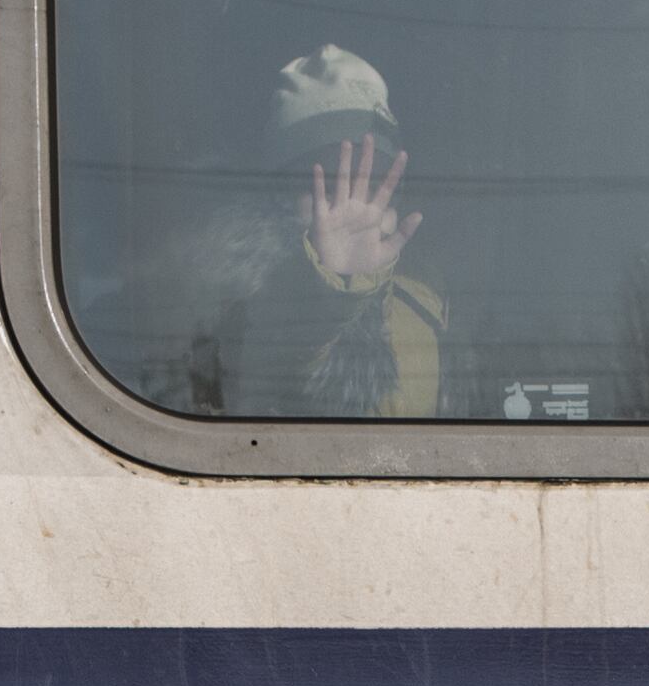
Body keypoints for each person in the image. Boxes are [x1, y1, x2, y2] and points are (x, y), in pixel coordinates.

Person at [161, 42, 448, 419]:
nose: (356, 207)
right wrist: (328, 286)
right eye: (328, 183)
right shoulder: (228, 311)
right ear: (278, 195)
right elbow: (273, 363)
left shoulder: (424, 304)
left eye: (377, 180)